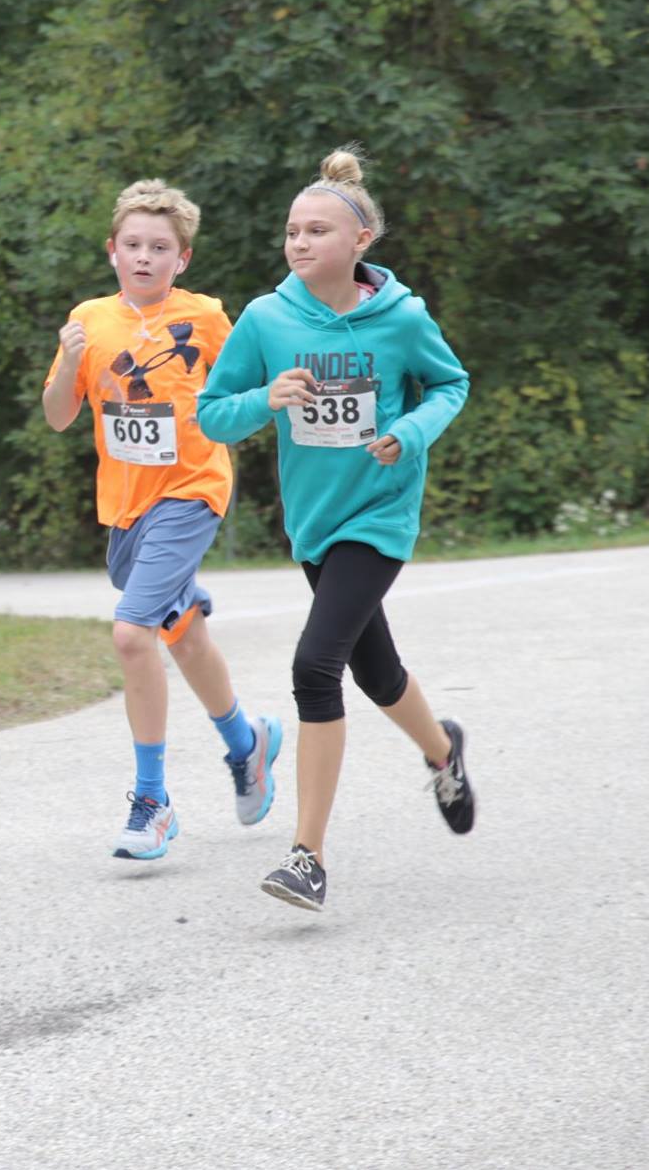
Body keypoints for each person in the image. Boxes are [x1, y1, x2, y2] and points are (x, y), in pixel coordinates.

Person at [197, 147, 476, 912]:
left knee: (316, 665)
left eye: (317, 229)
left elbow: (451, 383)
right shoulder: (266, 319)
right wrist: (267, 398)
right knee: (376, 670)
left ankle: (307, 856)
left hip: (379, 513)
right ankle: (444, 750)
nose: (299, 241)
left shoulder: (403, 318)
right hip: (314, 520)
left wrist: (410, 434)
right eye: (292, 230)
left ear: (360, 241)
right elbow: (211, 411)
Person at [42, 180, 281, 862]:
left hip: (193, 487)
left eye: (161, 248)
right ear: (112, 249)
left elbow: (250, 384)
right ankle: (247, 742)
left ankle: (153, 802)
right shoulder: (88, 318)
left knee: (130, 633)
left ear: (184, 258)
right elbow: (60, 414)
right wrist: (68, 360)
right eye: (134, 245)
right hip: (126, 506)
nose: (145, 257)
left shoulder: (204, 316)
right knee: (181, 633)